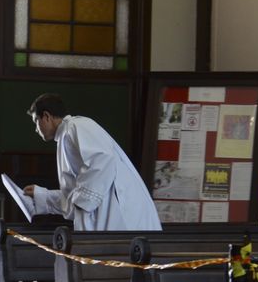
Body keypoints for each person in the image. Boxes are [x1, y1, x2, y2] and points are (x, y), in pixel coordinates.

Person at [23, 93, 161, 231]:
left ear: (46, 116)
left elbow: (102, 158)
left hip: (122, 216)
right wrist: (42, 195)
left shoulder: (75, 126)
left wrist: (81, 203)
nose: (36, 129)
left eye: (36, 121)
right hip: (109, 215)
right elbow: (74, 195)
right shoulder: (65, 134)